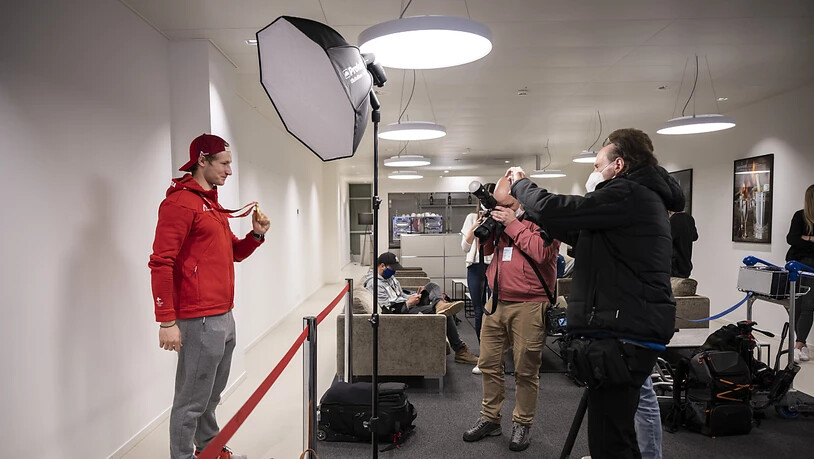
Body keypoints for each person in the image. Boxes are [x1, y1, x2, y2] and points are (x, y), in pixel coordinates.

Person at [507, 128, 683, 459]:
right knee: (614, 432)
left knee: (609, 441)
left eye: (596, 164)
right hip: (624, 332)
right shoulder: (638, 198)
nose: (592, 172)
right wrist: (525, 212)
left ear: (618, 164)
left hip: (622, 335)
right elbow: (575, 228)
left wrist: (521, 186)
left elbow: (561, 210)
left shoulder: (628, 193)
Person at [149, 133, 270, 459]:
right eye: (225, 163)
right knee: (190, 401)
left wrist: (256, 234)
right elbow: (161, 262)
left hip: (222, 315)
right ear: (202, 160)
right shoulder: (180, 203)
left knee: (211, 396)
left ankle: (210, 449)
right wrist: (166, 321)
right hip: (197, 319)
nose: (230, 170)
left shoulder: (210, 204)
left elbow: (234, 252)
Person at [462, 176, 560, 452]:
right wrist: (488, 230)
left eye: (505, 203)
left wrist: (512, 224)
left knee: (526, 370)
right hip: (497, 302)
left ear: (520, 199)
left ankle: (522, 423)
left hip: (530, 304)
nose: (500, 207)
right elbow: (488, 250)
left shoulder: (546, 218)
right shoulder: (501, 220)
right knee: (489, 364)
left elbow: (541, 253)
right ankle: (490, 418)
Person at [364, 252, 479, 365]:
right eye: (392, 268)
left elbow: (399, 294)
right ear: (382, 266)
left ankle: (439, 303)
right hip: (401, 312)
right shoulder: (374, 283)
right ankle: (460, 350)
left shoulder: (389, 278)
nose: (394, 271)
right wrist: (408, 304)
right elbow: (387, 311)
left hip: (407, 304)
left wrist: (413, 296)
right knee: (444, 313)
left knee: (432, 286)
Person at [461, 183, 496, 374]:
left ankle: (495, 354)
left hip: (495, 266)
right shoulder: (471, 217)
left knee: (495, 310)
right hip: (475, 266)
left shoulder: (500, 216)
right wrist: (475, 228)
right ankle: (484, 356)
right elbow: (465, 248)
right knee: (478, 310)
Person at [786, 184, 814, 363]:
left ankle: (798, 344)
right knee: (795, 304)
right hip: (797, 265)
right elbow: (791, 239)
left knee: (808, 306)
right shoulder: (800, 216)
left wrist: (805, 238)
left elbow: (798, 240)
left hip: (811, 268)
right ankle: (802, 344)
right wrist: (811, 239)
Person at [669, 210, 698, 278]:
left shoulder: (673, 220)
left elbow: (668, 239)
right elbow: (695, 237)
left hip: (675, 265)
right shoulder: (689, 218)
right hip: (686, 264)